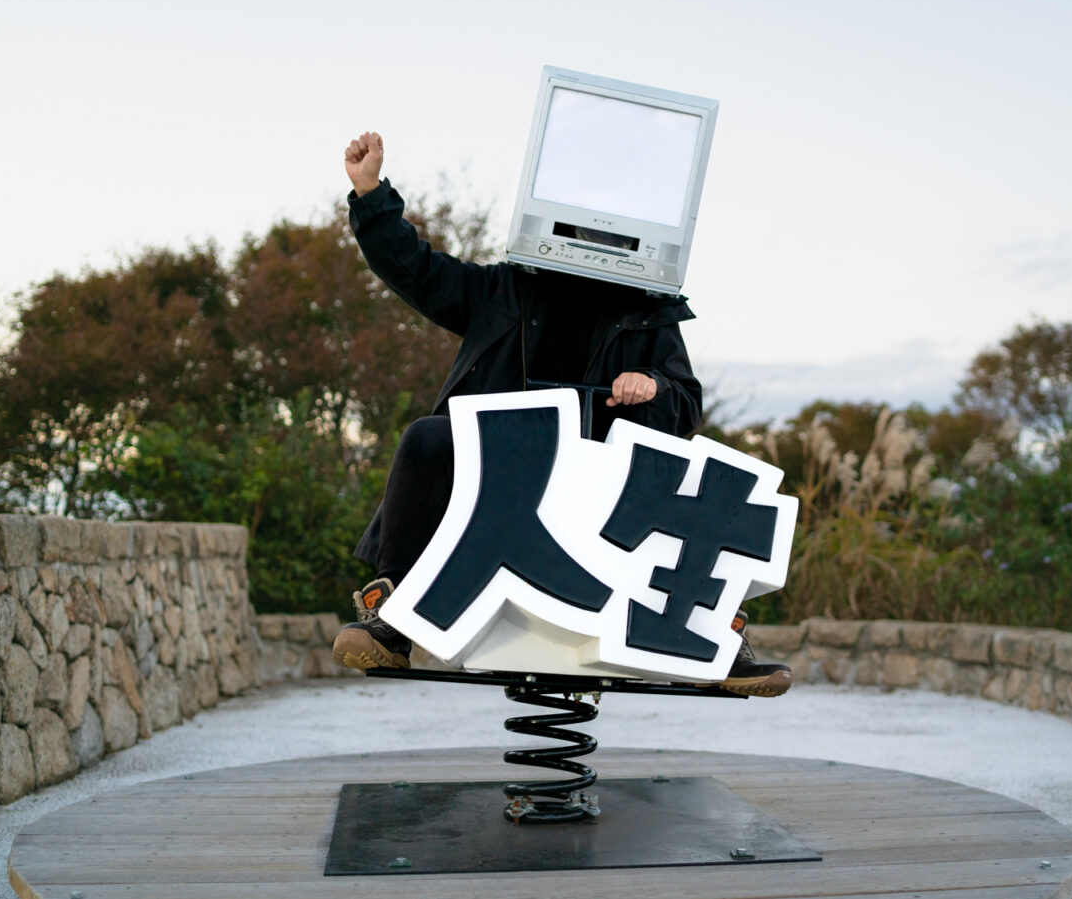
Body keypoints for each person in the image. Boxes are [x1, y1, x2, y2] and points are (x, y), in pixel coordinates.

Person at [332, 131, 790, 697]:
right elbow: (417, 271)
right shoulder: (504, 289)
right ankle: (393, 615)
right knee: (429, 439)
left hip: (602, 480)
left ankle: (717, 636)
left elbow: (686, 402)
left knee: (707, 479)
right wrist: (371, 193)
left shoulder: (649, 311)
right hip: (504, 474)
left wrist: (654, 386)